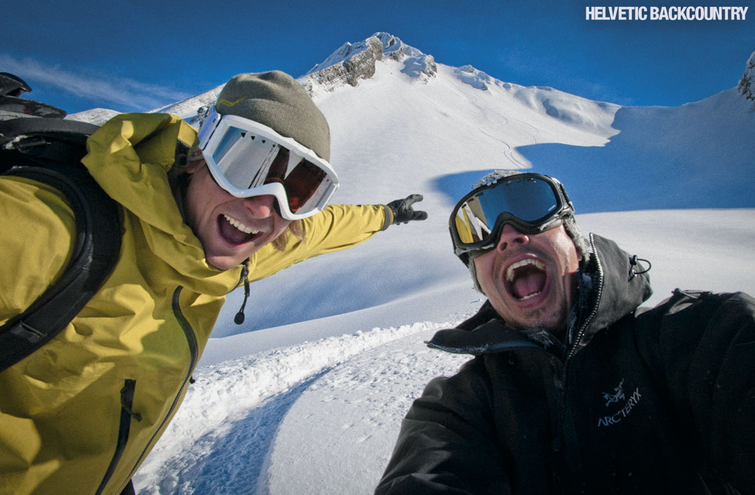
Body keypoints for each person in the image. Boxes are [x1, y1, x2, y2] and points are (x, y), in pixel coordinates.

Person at [0, 70, 426, 495]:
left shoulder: (236, 255)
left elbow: (326, 228)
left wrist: (389, 214)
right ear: (201, 154)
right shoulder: (47, 226)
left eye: (298, 191)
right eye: (245, 165)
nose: (264, 210)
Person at [376, 170, 755, 494]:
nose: (508, 236)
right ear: (482, 283)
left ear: (575, 243)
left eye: (531, 207)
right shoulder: (458, 408)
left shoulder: (692, 336)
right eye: (479, 230)